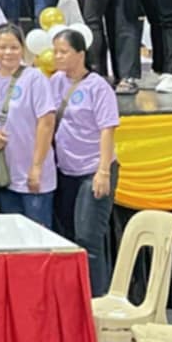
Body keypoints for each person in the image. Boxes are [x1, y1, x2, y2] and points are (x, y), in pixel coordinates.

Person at [51, 27, 120, 294]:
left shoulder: (98, 87)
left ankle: (96, 299)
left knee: (88, 238)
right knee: (68, 237)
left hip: (93, 169)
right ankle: (72, 296)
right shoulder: (55, 81)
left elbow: (107, 129)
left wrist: (103, 171)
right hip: (65, 169)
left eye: (64, 52)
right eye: (55, 51)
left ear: (80, 54)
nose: (57, 56)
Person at [0, 24, 57, 225]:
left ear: (23, 49)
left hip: (33, 176)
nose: (8, 52)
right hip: (5, 175)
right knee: (12, 234)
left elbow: (46, 122)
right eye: (2, 47)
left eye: (14, 47)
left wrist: (36, 167)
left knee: (38, 235)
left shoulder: (34, 78)